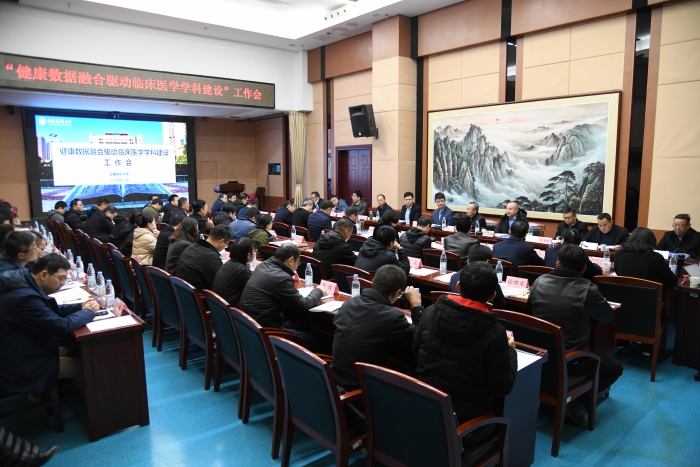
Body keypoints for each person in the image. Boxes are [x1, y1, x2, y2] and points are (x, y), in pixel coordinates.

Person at [414, 262, 517, 432]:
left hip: (424, 406)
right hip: (466, 423)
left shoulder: (430, 312)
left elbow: (415, 353)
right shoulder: (494, 332)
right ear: (493, 296)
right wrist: (511, 351)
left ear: (458, 286)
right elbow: (501, 388)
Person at [528, 244, 623, 421]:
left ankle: (571, 398)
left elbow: (530, 308)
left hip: (540, 353)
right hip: (573, 360)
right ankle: (579, 399)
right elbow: (607, 317)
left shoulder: (540, 281)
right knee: (615, 367)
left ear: (557, 264)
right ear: (584, 268)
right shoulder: (589, 289)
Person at [0, 254, 99, 398]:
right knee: (88, 367)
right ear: (44, 274)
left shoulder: (24, 282)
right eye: (61, 278)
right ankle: (99, 409)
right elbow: (61, 327)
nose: (63, 283)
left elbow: (47, 311)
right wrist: (88, 312)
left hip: (21, 349)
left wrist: (79, 306)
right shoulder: (25, 298)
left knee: (77, 351)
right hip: (20, 365)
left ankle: (42, 392)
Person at [331, 265, 424, 391]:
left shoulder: (349, 303)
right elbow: (418, 338)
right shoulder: (392, 317)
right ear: (397, 293)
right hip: (362, 387)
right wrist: (416, 305)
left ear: (373, 281)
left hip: (334, 379)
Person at [238, 244, 326, 344]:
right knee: (314, 340)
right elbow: (303, 305)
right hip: (265, 331)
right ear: (290, 260)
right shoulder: (281, 278)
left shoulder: (264, 265)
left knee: (296, 324)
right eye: (298, 262)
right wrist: (319, 291)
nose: (297, 266)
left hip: (249, 325)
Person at [614, 227, 678, 292]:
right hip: (649, 296)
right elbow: (672, 281)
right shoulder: (656, 258)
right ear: (652, 241)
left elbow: (617, 272)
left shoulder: (619, 254)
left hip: (624, 294)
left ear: (630, 239)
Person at [176, 224, 230, 289]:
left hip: (181, 289)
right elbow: (219, 284)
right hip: (198, 293)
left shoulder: (191, 247)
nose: (225, 247)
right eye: (226, 244)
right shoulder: (211, 257)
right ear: (221, 241)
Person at [212, 238, 254, 307]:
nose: (255, 253)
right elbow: (254, 291)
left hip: (217, 306)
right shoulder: (243, 271)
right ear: (248, 255)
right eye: (254, 250)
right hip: (230, 309)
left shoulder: (228, 263)